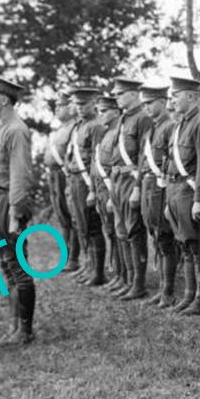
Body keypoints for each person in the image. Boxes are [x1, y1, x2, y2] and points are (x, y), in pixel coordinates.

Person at [0, 73, 38, 345]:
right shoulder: (1, 128)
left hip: (5, 202)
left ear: (3, 99)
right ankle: (14, 326)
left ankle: (24, 331)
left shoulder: (16, 130)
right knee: (5, 265)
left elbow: (20, 176)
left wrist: (15, 213)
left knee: (16, 266)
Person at [164, 76, 200, 315]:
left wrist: (199, 199)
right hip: (175, 191)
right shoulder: (180, 124)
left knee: (197, 245)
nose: (173, 100)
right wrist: (168, 199)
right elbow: (171, 163)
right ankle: (188, 294)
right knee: (183, 245)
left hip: (190, 191)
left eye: (177, 95)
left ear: (192, 97)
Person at [112, 76, 154, 301]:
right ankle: (128, 280)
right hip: (118, 180)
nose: (116, 97)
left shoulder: (143, 119)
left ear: (133, 94)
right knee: (121, 231)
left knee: (134, 231)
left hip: (132, 180)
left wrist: (138, 187)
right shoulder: (123, 119)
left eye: (120, 94)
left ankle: (139, 284)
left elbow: (143, 156)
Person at [135, 83, 178, 307]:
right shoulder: (151, 129)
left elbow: (174, 159)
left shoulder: (171, 127)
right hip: (148, 185)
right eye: (144, 104)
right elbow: (143, 162)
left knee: (165, 238)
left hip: (161, 187)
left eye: (150, 103)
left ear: (163, 102)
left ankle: (169, 291)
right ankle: (163, 289)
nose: (147, 107)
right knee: (155, 236)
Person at [64, 84, 109, 287]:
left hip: (87, 181)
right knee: (80, 224)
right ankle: (87, 265)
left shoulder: (96, 126)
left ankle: (98, 272)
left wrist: (92, 189)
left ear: (94, 103)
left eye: (84, 104)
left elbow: (97, 160)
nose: (80, 108)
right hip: (74, 179)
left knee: (92, 226)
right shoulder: (77, 126)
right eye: (77, 104)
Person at [92, 93, 127, 292]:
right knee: (111, 232)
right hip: (102, 187)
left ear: (115, 112)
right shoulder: (105, 133)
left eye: (104, 111)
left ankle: (125, 276)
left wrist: (112, 193)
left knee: (119, 232)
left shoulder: (117, 133)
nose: (101, 115)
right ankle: (119, 274)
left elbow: (116, 165)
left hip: (113, 186)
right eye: (99, 111)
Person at [44, 93, 80, 273]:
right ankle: (66, 258)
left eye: (61, 106)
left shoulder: (74, 128)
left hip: (65, 174)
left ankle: (74, 259)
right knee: (63, 218)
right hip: (54, 175)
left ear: (71, 107)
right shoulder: (59, 129)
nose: (57, 109)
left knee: (72, 216)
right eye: (56, 106)